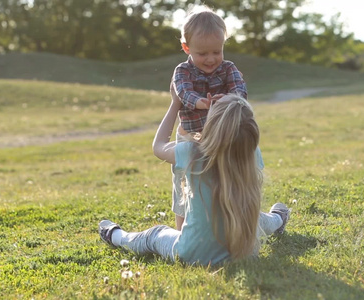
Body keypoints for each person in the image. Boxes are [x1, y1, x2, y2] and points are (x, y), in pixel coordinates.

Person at [98, 92, 290, 266]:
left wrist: (175, 104)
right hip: (245, 253)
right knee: (253, 216)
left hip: (192, 253)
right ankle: (279, 220)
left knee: (155, 236)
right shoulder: (250, 153)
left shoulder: (193, 153)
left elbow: (159, 146)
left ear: (214, 125)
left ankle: (116, 236)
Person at [170, 5, 247, 230]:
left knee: (224, 180)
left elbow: (241, 90)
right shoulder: (182, 71)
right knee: (183, 181)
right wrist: (203, 102)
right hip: (189, 137)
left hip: (222, 136)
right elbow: (183, 92)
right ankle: (181, 230)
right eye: (202, 53)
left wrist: (228, 99)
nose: (211, 59)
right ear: (186, 48)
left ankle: (227, 223)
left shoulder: (228, 68)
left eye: (217, 51)